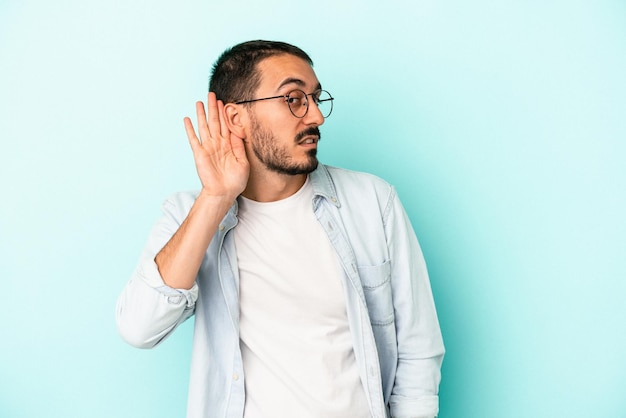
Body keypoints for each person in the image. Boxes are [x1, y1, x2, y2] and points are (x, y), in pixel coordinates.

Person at [116, 40, 444, 418]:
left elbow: (419, 348)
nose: (316, 117)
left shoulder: (372, 202)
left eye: (316, 98)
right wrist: (216, 198)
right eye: (294, 99)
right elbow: (139, 328)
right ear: (236, 119)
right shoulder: (190, 214)